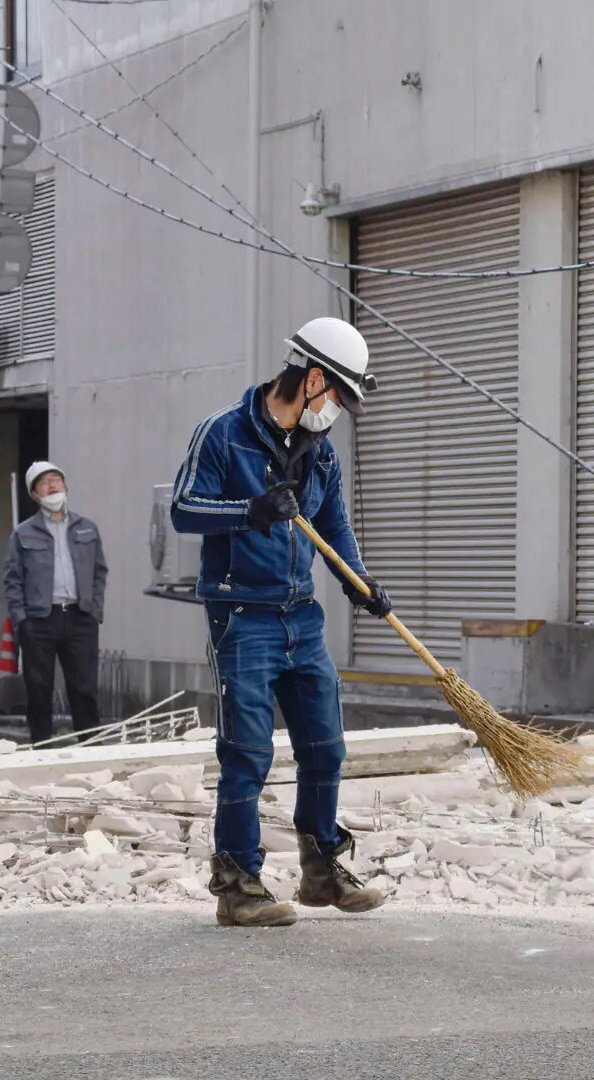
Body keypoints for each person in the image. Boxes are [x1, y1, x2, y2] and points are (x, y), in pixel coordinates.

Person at [170, 315, 392, 928]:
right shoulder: (223, 434)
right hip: (243, 615)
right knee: (246, 752)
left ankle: (322, 868)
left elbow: (335, 528)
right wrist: (252, 509)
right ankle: (238, 885)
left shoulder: (320, 456)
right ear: (313, 378)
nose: (339, 412)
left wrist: (359, 582)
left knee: (326, 748)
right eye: (340, 398)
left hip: (303, 617)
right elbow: (184, 510)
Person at [3, 462, 107, 743]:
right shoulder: (23, 532)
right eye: (44, 483)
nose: (52, 486)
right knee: (38, 687)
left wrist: (94, 609)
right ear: (34, 494)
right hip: (39, 619)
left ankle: (90, 747)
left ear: (66, 487)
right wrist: (20, 619)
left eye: (56, 480)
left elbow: (99, 572)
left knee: (84, 688)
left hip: (80, 617)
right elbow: (12, 579)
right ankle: (42, 746)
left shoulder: (87, 528)